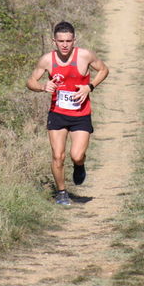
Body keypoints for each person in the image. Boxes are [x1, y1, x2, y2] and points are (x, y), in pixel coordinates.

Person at [27, 22, 109, 205]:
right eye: (60, 41)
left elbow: (104, 69)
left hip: (81, 114)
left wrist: (90, 86)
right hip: (57, 113)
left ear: (74, 40)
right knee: (58, 156)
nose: (64, 45)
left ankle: (79, 166)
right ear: (54, 41)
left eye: (68, 41)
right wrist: (41, 86)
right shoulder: (47, 59)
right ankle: (62, 192)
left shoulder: (85, 55)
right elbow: (31, 80)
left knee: (77, 155)